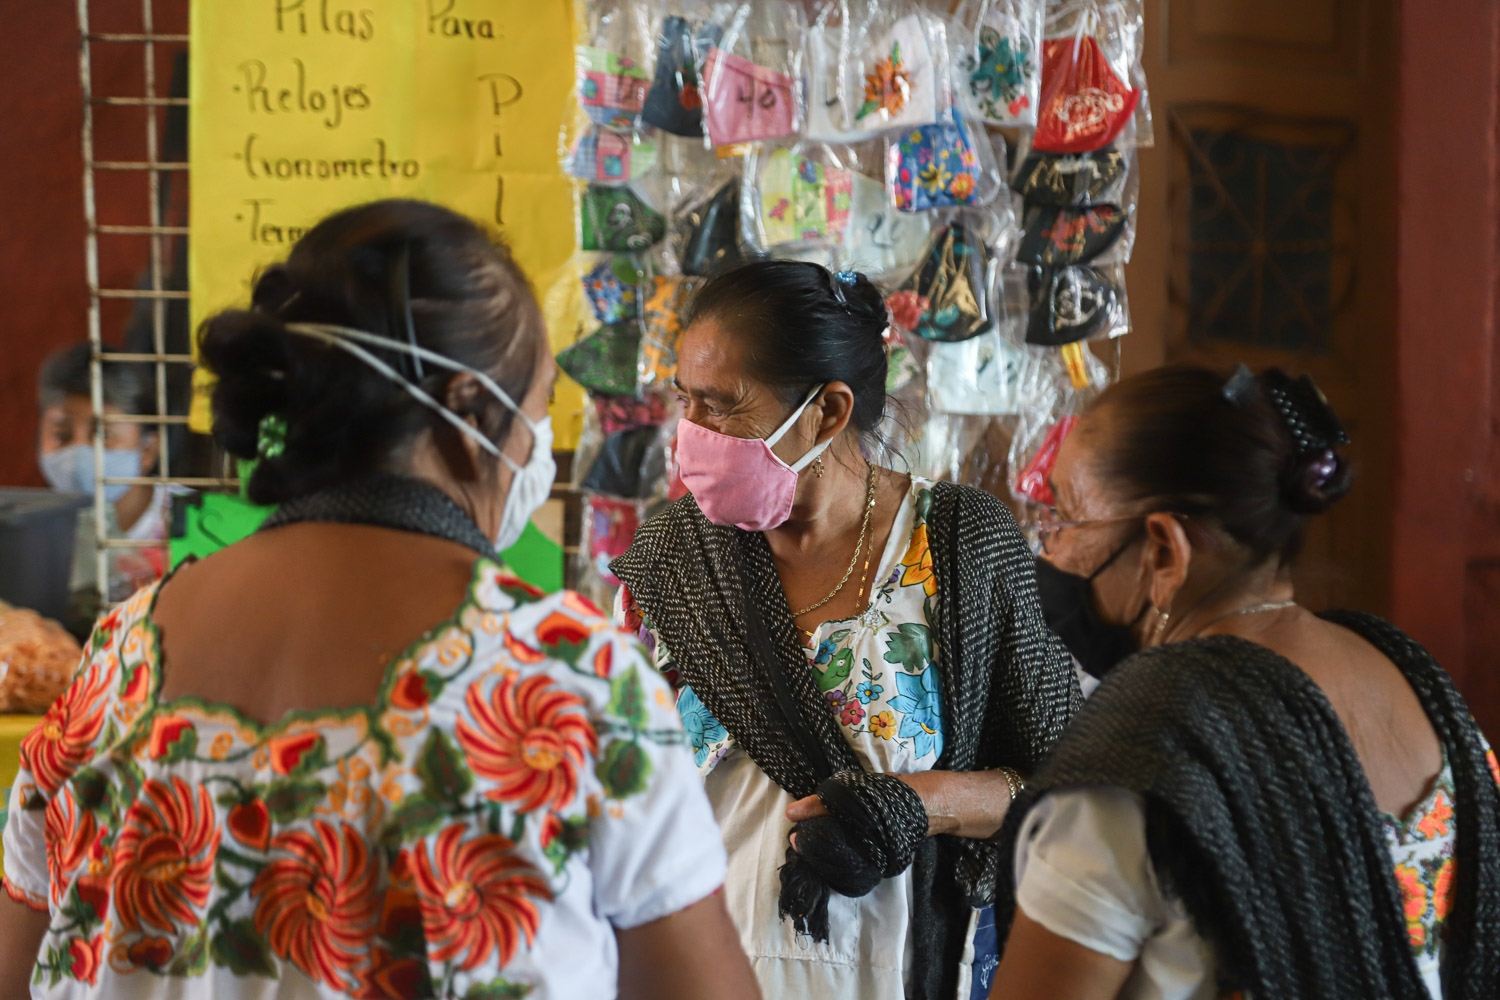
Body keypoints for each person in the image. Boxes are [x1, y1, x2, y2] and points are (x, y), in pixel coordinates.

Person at [0, 199, 758, 1000]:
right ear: (468, 413)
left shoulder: (114, 661)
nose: (532, 449)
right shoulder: (571, 682)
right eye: (533, 416)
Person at [610, 260, 1080, 1000]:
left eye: (720, 405)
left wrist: (924, 803)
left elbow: (1068, 789)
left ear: (828, 412)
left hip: (893, 977)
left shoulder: (959, 548)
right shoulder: (671, 561)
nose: (691, 434)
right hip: (697, 976)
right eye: (684, 401)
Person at [989, 365, 1500, 1000]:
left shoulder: (1143, 760)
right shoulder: (1415, 680)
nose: (1049, 551)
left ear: (1165, 552)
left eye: (1062, 519)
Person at [36, 343, 169, 608]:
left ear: (147, 450)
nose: (80, 452)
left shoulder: (189, 523)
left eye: (103, 435)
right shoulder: (36, 531)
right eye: (61, 435)